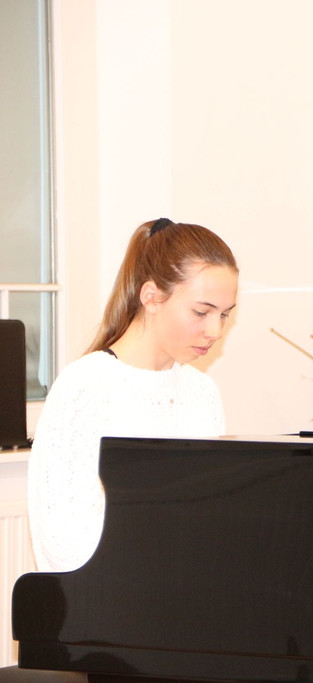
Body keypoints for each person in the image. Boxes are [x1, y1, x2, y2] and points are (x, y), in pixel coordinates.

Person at [28, 218, 238, 572]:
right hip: (108, 594)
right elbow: (61, 543)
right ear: (151, 297)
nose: (215, 330)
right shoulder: (85, 386)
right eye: (201, 312)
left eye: (225, 315)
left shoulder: (203, 393)